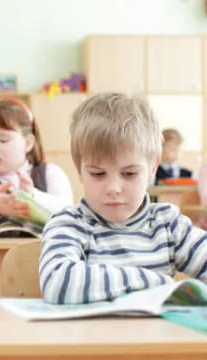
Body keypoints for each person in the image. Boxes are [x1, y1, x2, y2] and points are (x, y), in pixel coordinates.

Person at [40, 92, 207, 305]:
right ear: (79, 170)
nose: (113, 188)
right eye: (98, 174)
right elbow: (57, 283)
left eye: (129, 174)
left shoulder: (168, 224)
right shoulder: (69, 224)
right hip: (92, 338)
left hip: (156, 338)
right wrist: (157, 283)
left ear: (152, 169)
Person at [0, 97, 73, 233]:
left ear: (28, 143)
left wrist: (33, 195)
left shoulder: (51, 173)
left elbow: (68, 215)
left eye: (3, 140)